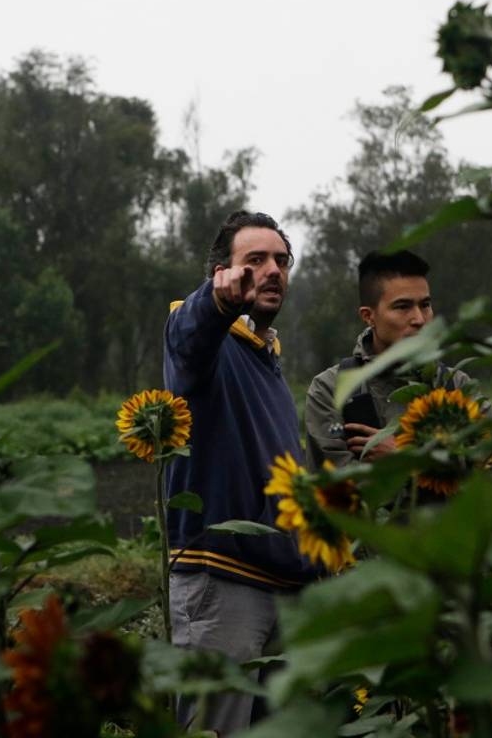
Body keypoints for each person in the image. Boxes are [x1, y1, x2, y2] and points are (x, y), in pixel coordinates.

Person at [163, 210, 318, 734]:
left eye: (280, 260)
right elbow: (190, 334)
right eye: (254, 260)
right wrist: (216, 303)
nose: (272, 270)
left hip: (282, 581)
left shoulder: (267, 359)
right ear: (221, 273)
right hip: (222, 580)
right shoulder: (204, 337)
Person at [304, 250, 480, 472]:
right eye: (402, 307)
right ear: (369, 316)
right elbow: (336, 488)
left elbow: (490, 469)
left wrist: (406, 457)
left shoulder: (457, 385)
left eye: (425, 305)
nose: (419, 319)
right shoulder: (330, 390)